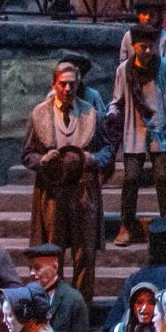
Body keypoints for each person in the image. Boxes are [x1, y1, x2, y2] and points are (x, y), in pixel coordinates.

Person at [22, 57, 110, 302]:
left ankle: (81, 307)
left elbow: (107, 150)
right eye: (63, 84)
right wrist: (42, 160)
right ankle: (54, 305)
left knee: (85, 254)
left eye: (72, 84)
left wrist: (93, 158)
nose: (68, 89)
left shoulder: (91, 113)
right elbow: (27, 154)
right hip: (53, 193)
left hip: (83, 193)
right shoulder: (40, 114)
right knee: (53, 251)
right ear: (54, 84)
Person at [107, 24, 166, 246]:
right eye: (143, 47)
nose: (147, 52)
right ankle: (126, 225)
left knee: (162, 178)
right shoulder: (124, 70)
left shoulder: (165, 68)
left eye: (150, 47)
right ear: (134, 46)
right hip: (135, 130)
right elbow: (116, 100)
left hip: (160, 130)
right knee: (131, 178)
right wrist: (112, 114)